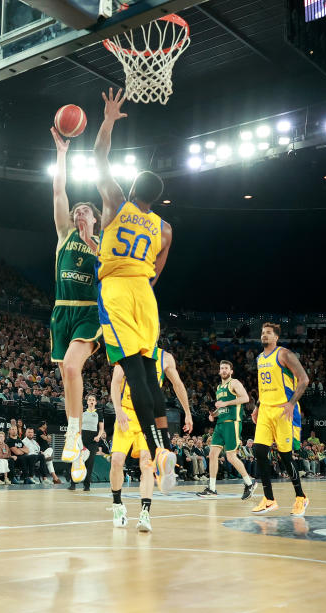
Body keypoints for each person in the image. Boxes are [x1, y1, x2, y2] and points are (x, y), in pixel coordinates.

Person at [93, 87, 178, 490]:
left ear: (131, 190)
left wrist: (108, 119)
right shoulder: (164, 227)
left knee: (134, 375)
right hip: (146, 294)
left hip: (118, 290)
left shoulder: (114, 201)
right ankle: (162, 447)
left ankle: (158, 446)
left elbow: (99, 158)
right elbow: (157, 272)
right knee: (148, 370)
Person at [49, 127, 103, 469]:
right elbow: (58, 190)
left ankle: (73, 437)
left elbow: (110, 269)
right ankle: (78, 450)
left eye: (85, 210)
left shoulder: (104, 244)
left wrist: (92, 240)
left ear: (95, 218)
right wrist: (62, 153)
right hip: (61, 313)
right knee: (67, 377)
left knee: (71, 366)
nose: (79, 212)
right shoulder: (64, 235)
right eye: (77, 210)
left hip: (87, 313)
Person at [109, 346, 193, 530]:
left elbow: (178, 384)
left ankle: (145, 513)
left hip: (148, 417)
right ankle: (117, 505)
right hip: (127, 415)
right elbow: (115, 382)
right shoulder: (127, 350)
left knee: (147, 463)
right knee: (116, 461)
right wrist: (118, 410)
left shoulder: (165, 357)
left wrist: (187, 411)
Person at [251, 323, 311, 516]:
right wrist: (258, 407)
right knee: (259, 451)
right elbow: (262, 386)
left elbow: (304, 379)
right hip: (266, 410)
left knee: (285, 457)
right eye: (262, 333)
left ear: (276, 337)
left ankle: (301, 497)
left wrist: (292, 403)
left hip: (284, 410)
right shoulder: (260, 358)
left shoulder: (284, 354)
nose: (264, 336)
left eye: (268, 333)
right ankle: (269, 499)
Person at [197, 360, 256, 499]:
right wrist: (214, 414)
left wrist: (226, 403)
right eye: (221, 368)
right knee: (212, 455)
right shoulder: (218, 388)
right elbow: (222, 407)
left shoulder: (234, 383)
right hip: (220, 424)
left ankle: (249, 483)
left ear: (231, 371)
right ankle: (212, 488)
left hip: (232, 423)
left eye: (226, 368)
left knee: (231, 456)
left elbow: (245, 398)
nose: (223, 370)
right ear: (219, 371)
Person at [69, 394, 105, 491]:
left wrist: (98, 436)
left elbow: (101, 429)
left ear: (96, 402)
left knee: (90, 462)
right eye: (89, 399)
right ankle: (73, 483)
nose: (91, 401)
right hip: (82, 439)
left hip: (93, 441)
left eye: (93, 399)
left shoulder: (99, 413)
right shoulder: (82, 412)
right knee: (77, 461)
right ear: (87, 402)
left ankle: (87, 485)